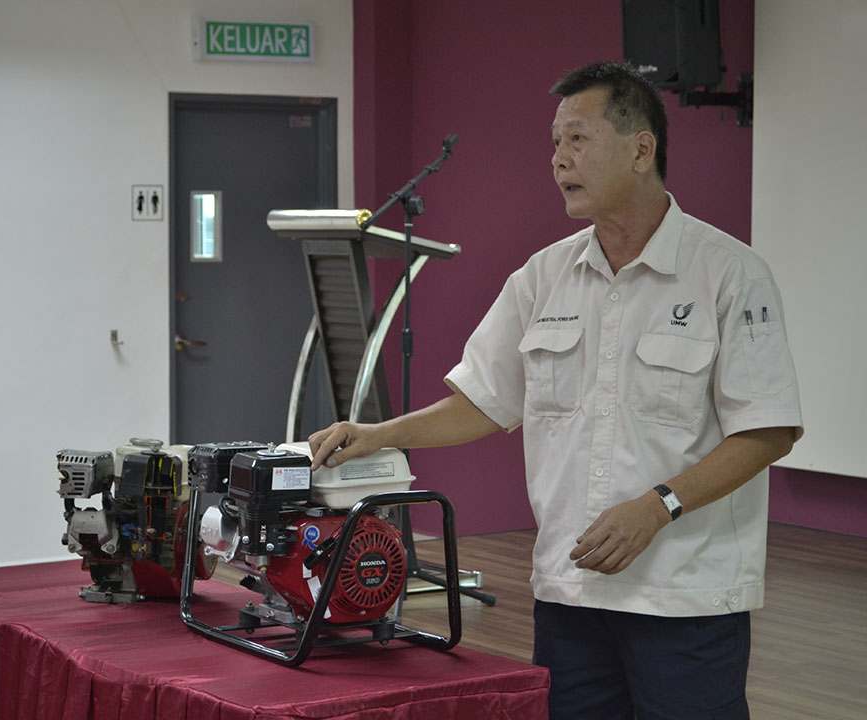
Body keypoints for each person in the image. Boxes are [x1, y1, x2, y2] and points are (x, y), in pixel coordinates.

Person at [309, 61, 803, 720]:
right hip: (570, 596)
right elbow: (483, 401)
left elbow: (768, 429)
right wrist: (378, 435)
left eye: (578, 139)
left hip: (684, 598)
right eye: (554, 142)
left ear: (641, 150)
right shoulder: (542, 278)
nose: (558, 159)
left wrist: (658, 506)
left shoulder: (730, 275)